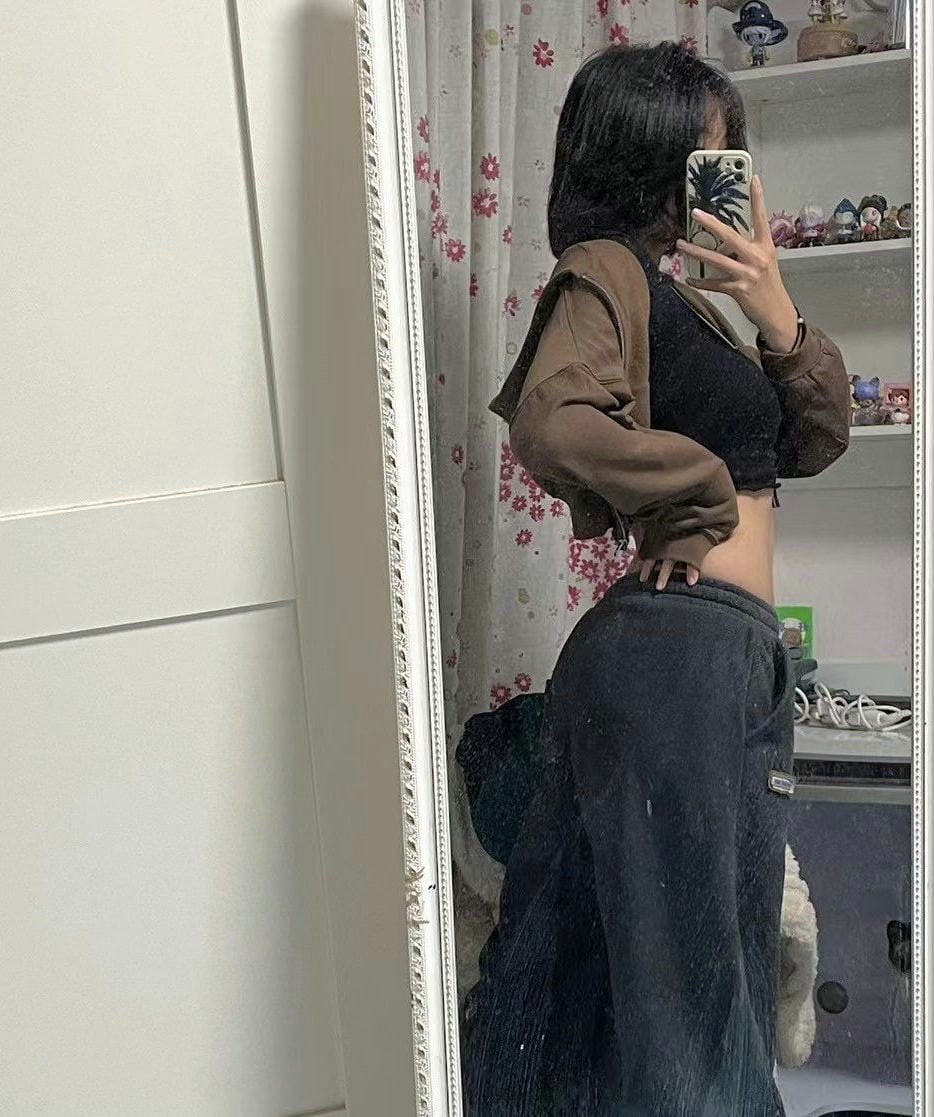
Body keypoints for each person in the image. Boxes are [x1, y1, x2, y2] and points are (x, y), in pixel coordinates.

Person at [460, 42, 851, 1116]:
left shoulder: (690, 302)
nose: (722, 177)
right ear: (649, 154)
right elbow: (554, 421)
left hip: (714, 656)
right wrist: (698, 489)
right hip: (678, 653)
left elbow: (816, 440)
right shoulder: (607, 270)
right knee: (694, 1003)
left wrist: (773, 306)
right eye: (708, 154)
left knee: (675, 984)